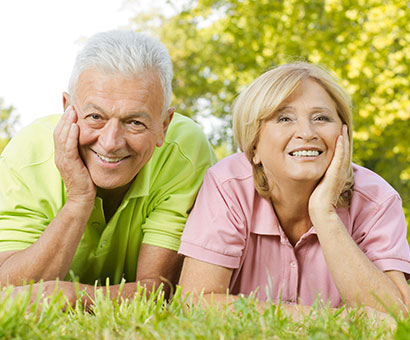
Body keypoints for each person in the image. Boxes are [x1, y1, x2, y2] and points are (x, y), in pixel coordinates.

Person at [0, 30, 216, 304]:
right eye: (95, 117)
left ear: (164, 125)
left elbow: (161, 289)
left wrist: (76, 297)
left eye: (135, 122)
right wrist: (79, 200)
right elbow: (8, 288)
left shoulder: (186, 150)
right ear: (68, 109)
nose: (111, 142)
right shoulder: (27, 153)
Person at [178, 62, 410, 315]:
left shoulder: (377, 199)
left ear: (343, 133)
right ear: (254, 146)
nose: (307, 132)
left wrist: (325, 215)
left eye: (321, 118)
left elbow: (396, 315)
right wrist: (325, 320)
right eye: (284, 118)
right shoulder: (227, 185)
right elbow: (196, 302)